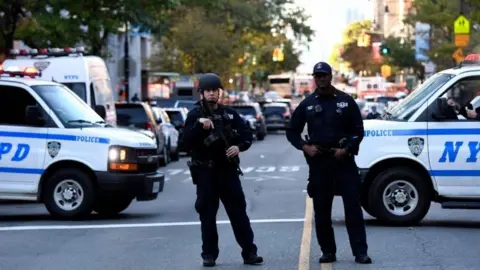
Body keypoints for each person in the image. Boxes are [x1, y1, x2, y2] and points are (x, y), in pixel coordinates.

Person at [286, 62, 372, 264]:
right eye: (317, 76)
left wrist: (347, 149)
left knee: (353, 209)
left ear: (330, 76)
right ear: (314, 78)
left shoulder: (345, 101)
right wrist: (305, 147)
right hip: (319, 164)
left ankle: (360, 252)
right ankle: (328, 251)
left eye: (324, 75)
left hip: (343, 162)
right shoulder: (307, 104)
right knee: (322, 211)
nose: (321, 79)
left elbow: (358, 131)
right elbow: (292, 131)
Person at [180, 73, 263, 267]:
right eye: (207, 91)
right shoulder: (194, 115)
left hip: (227, 172)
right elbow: (184, 143)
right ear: (202, 93)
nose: (211, 94)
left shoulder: (230, 114)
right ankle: (209, 254)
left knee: (238, 214)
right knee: (207, 216)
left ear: (219, 92)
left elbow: (246, 135)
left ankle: (249, 253)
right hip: (206, 174)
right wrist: (199, 127)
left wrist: (239, 147)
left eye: (214, 90)